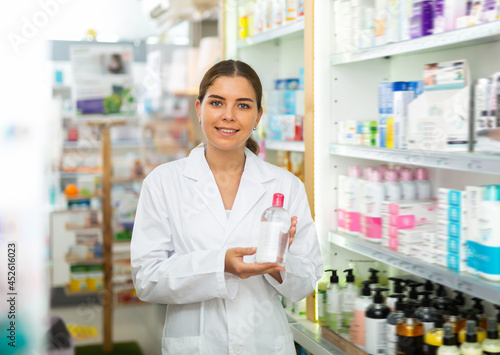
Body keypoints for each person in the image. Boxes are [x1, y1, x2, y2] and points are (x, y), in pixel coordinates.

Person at [131, 59, 322, 355]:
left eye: (243, 106)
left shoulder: (286, 186)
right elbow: (147, 279)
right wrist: (220, 265)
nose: (229, 116)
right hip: (195, 344)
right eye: (217, 102)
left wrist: (278, 263)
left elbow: (305, 283)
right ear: (199, 109)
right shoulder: (163, 182)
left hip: (264, 343)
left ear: (258, 115)